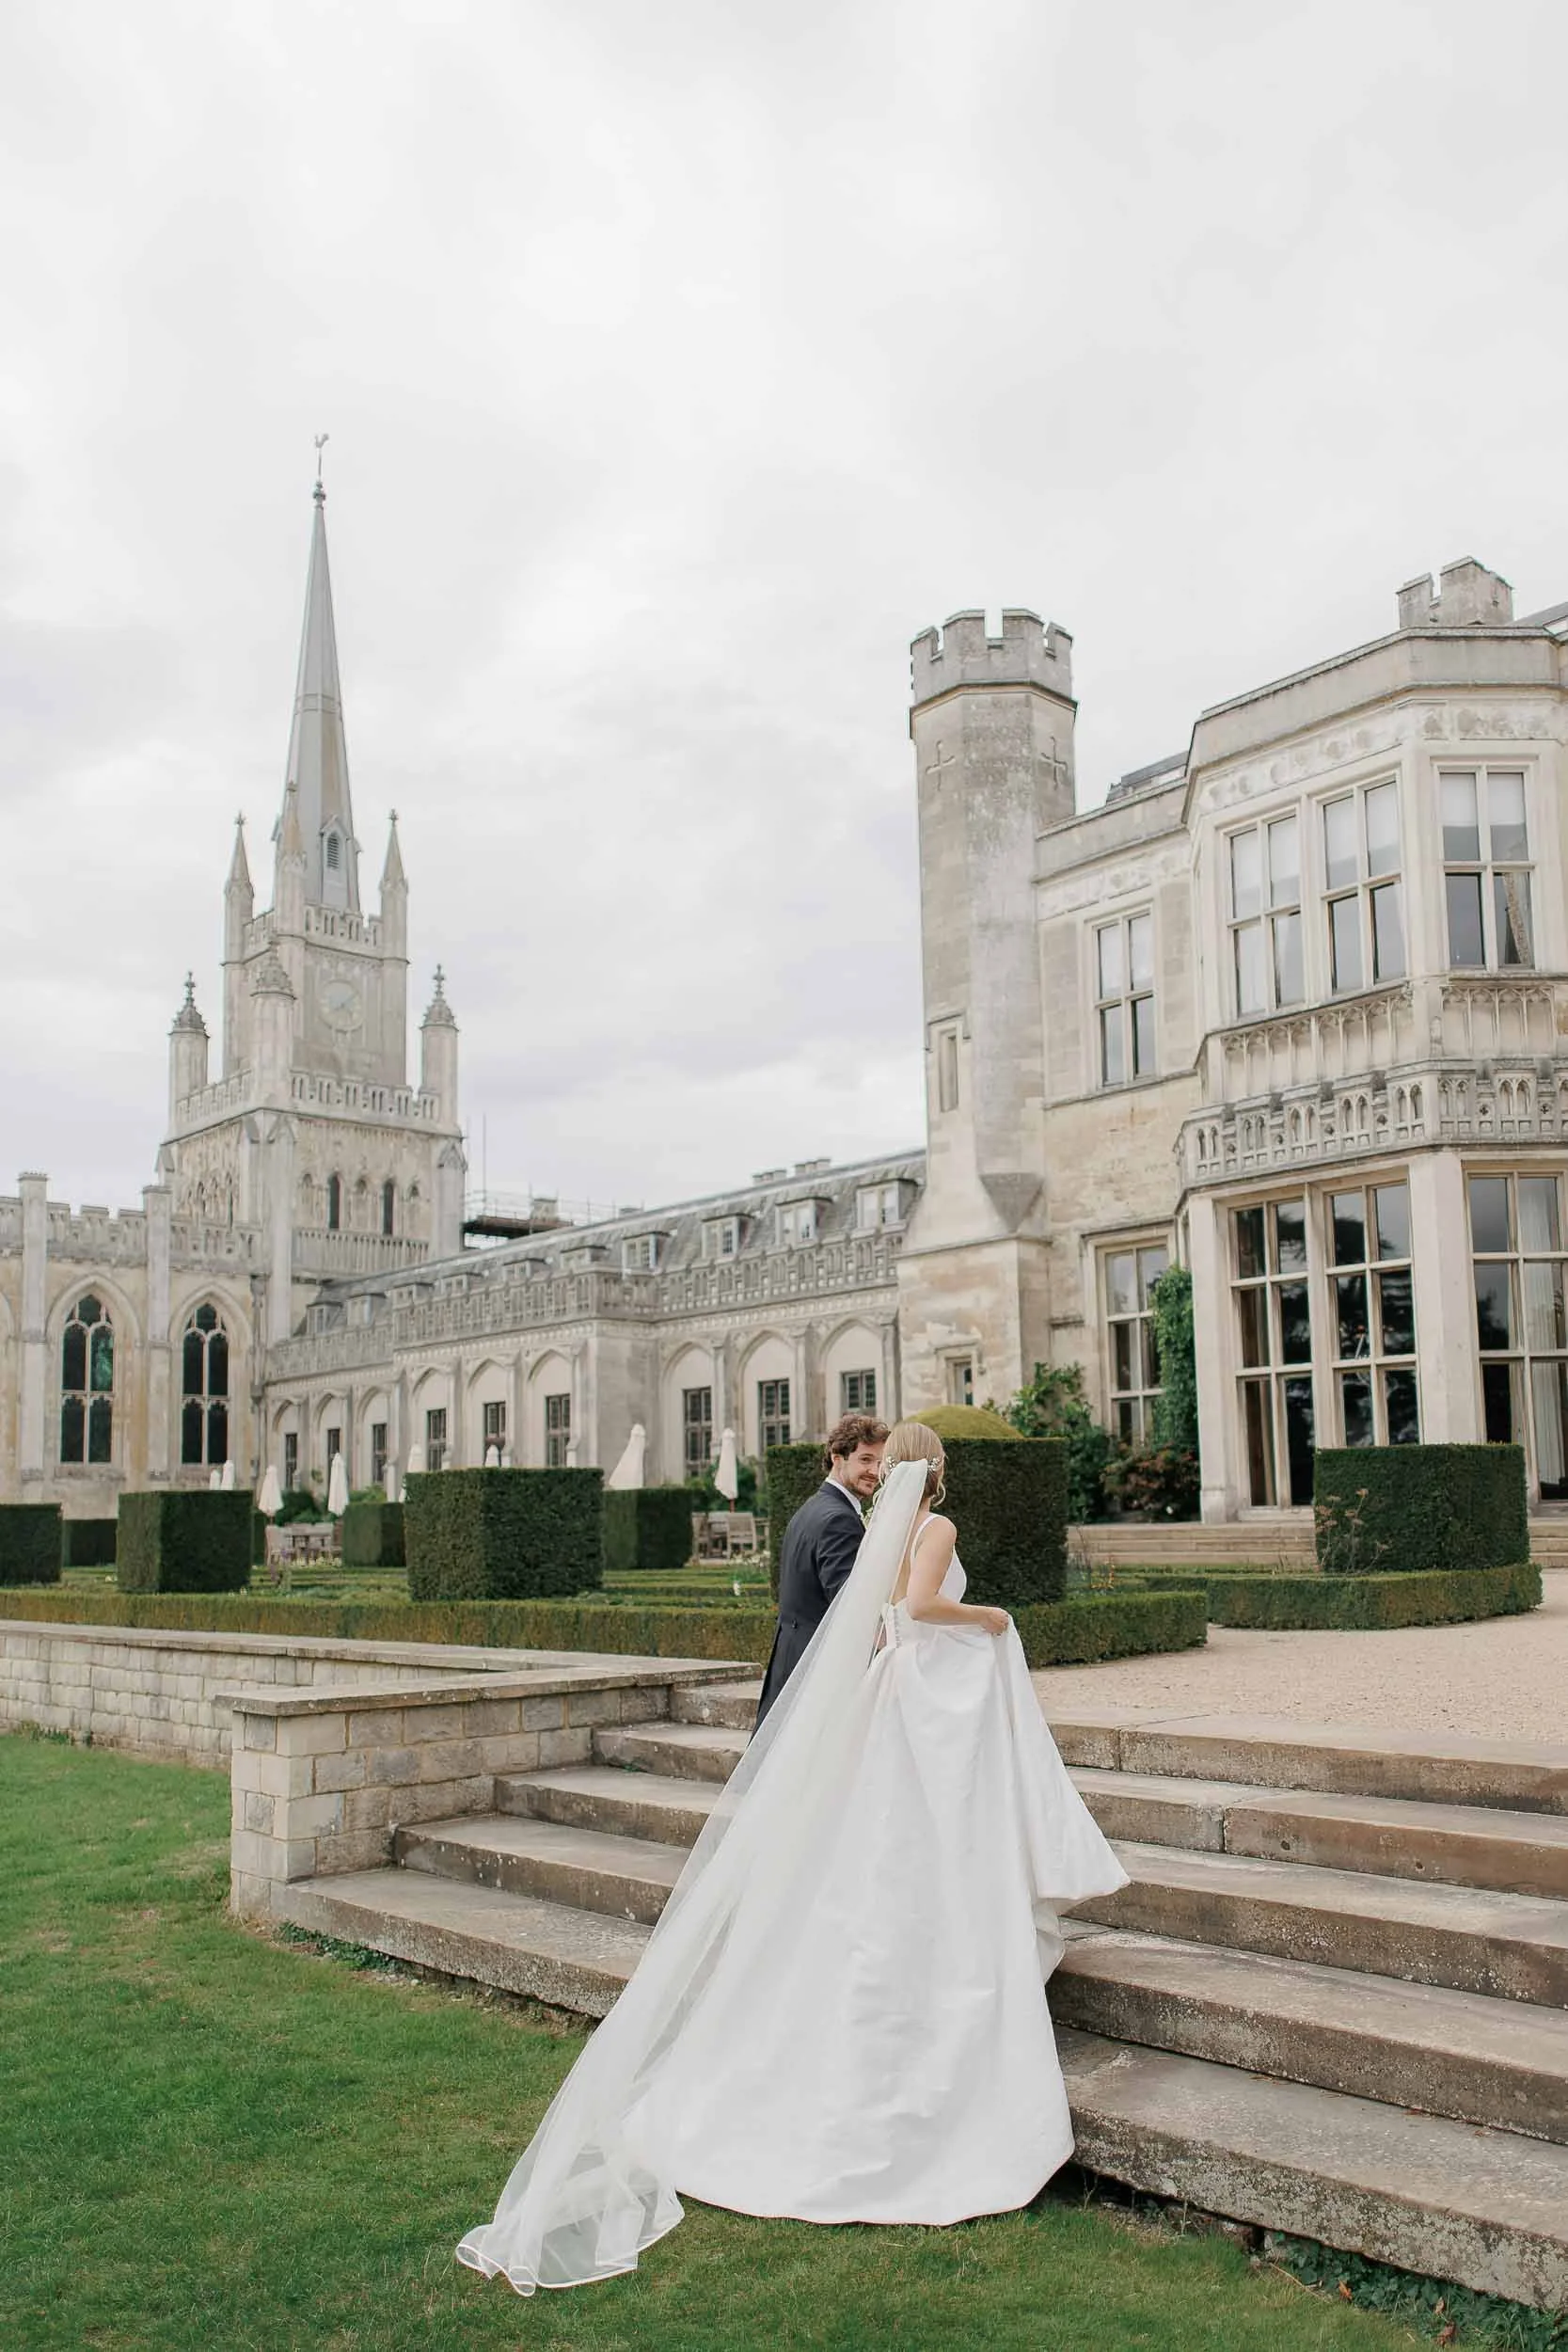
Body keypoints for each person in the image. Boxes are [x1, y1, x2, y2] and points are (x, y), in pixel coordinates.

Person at [456, 1419, 1128, 2296]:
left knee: (874, 1851)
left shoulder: (878, 1523)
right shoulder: (934, 1527)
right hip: (920, 1690)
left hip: (891, 1692)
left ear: (890, 1469)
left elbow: (881, 1615)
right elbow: (919, 1612)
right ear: (941, 1468)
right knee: (923, 1842)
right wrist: (994, 1617)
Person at [753, 1411, 887, 1728]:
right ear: (837, 1457)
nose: (874, 1471)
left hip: (791, 1653)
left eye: (880, 1462)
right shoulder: (839, 1519)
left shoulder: (811, 1508)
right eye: (866, 1459)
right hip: (816, 1666)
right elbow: (849, 1604)